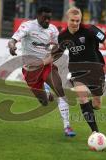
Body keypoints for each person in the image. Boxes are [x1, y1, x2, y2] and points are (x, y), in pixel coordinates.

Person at [8, 6, 76, 137]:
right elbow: (13, 40)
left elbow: (58, 47)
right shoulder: (27, 26)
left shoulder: (53, 30)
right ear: (38, 16)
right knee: (44, 102)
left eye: (49, 18)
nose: (47, 21)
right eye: (45, 18)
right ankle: (45, 91)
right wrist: (12, 46)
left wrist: (55, 51)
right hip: (30, 70)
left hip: (46, 66)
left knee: (59, 90)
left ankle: (67, 126)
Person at [58, 7, 106, 133]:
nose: (75, 23)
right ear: (67, 20)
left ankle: (87, 108)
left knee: (97, 104)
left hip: (95, 68)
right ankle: (95, 132)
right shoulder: (62, 36)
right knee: (83, 97)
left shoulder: (90, 29)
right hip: (77, 71)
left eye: (77, 21)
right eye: (72, 20)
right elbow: (58, 54)